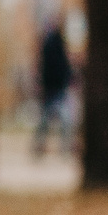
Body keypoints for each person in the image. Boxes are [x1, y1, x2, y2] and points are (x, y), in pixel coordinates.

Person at [33, 24, 73, 157]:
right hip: (55, 89)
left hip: (53, 89)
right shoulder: (55, 45)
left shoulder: (51, 45)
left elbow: (47, 69)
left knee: (48, 122)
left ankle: (42, 147)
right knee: (60, 121)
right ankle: (61, 149)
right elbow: (59, 67)